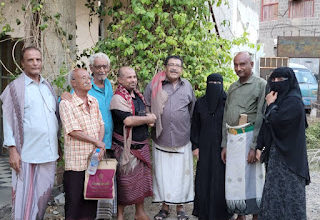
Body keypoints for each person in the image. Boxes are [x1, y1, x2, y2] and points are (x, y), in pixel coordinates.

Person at [0, 46, 60, 219]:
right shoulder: (15, 88)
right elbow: (8, 121)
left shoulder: (46, 85)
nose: (35, 63)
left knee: (43, 197)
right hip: (26, 154)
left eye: (38, 60)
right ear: (22, 63)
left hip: (49, 152)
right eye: (30, 60)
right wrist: (12, 150)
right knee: (24, 200)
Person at [61, 52, 115, 218]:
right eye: (83, 78)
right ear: (73, 82)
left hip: (94, 159)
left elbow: (101, 124)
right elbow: (73, 130)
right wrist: (97, 143)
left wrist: (98, 147)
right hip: (76, 162)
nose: (88, 80)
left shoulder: (93, 100)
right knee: (74, 203)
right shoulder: (67, 103)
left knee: (91, 201)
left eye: (88, 78)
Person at [144, 55, 196, 220]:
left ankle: (181, 208)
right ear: (165, 67)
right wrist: (149, 117)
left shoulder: (187, 86)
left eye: (177, 65)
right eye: (171, 65)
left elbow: (192, 109)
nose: (174, 68)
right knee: (162, 175)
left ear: (182, 69)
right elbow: (146, 105)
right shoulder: (154, 85)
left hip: (183, 138)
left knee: (182, 175)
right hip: (161, 138)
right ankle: (164, 207)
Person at [256, 67, 310, 220]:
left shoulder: (294, 102)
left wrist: (271, 105)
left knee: (291, 197)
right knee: (273, 196)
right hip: (275, 157)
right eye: (274, 80)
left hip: (291, 160)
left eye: (281, 80)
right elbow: (267, 123)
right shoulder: (276, 99)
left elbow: (278, 121)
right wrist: (259, 146)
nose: (276, 83)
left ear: (290, 82)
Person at [220, 51, 266, 220]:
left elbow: (261, 116)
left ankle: (255, 214)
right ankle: (240, 213)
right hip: (233, 140)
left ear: (251, 65)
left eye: (242, 64)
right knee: (236, 178)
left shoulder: (261, 84)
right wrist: (224, 143)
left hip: (249, 138)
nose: (238, 68)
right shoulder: (232, 87)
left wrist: (255, 147)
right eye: (235, 65)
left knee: (253, 179)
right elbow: (226, 116)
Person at [110, 66, 156, 220]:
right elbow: (128, 120)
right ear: (120, 80)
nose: (133, 80)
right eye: (129, 77)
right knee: (124, 183)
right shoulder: (118, 98)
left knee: (141, 182)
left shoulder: (137, 96)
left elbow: (139, 115)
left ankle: (140, 212)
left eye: (134, 77)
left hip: (141, 145)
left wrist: (147, 118)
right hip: (126, 148)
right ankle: (120, 215)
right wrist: (148, 119)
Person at [191, 73, 231, 220]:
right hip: (204, 148)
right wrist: (195, 146)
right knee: (204, 179)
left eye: (217, 83)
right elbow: (195, 126)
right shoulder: (200, 103)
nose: (214, 86)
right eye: (211, 83)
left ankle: (222, 213)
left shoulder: (227, 102)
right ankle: (204, 212)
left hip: (223, 148)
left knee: (221, 179)